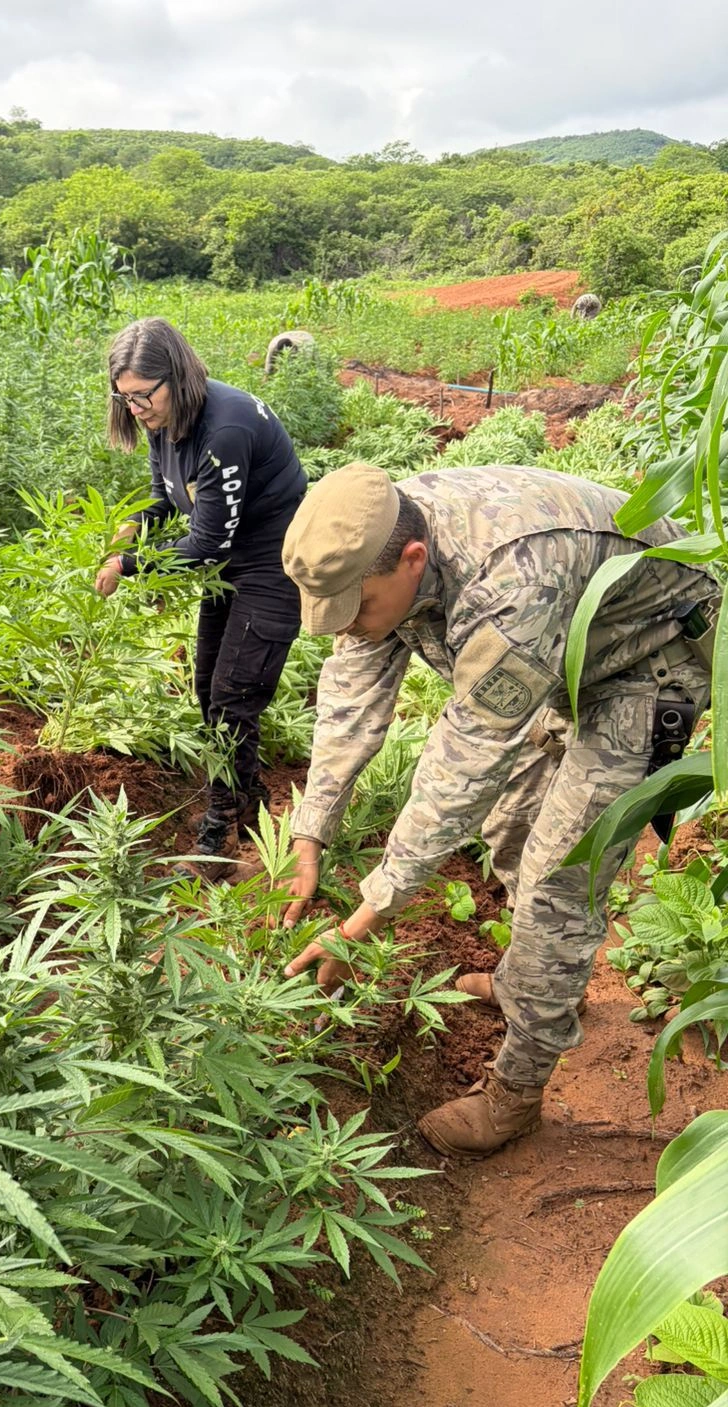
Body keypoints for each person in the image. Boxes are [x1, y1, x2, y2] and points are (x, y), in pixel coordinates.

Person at [278, 461, 718, 1157]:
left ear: (413, 562)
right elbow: (353, 687)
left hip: (648, 663)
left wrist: (367, 914)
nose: (354, 628)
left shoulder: (513, 581)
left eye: (358, 609)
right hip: (569, 652)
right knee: (509, 826)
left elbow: (467, 759)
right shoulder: (376, 542)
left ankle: (515, 1095)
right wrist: (311, 831)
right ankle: (542, 985)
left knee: (557, 878)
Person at [95, 317, 307, 876]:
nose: (135, 409)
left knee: (234, 698)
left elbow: (208, 543)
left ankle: (219, 835)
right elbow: (166, 492)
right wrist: (138, 523)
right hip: (229, 562)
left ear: (177, 379)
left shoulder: (223, 429)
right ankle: (255, 812)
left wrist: (128, 565)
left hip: (272, 559)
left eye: (143, 396)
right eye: (124, 398)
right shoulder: (163, 417)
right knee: (210, 692)